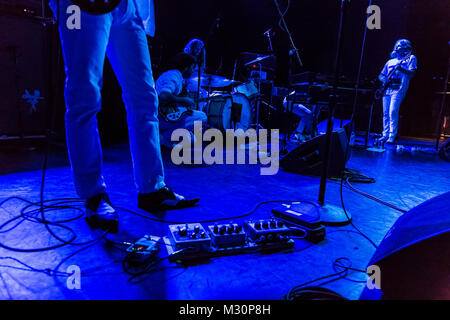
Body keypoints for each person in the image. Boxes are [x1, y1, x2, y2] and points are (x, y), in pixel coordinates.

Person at [48, 0, 199, 233]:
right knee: (83, 98)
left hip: (127, 6)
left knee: (145, 98)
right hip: (77, 6)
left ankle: (153, 188)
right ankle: (93, 194)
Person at [156, 52, 208, 148]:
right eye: (192, 67)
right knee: (202, 117)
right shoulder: (173, 76)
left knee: (192, 139)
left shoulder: (175, 75)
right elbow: (163, 96)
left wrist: (182, 104)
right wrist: (183, 100)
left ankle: (163, 138)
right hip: (161, 117)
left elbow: (171, 100)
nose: (193, 71)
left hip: (166, 116)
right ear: (186, 67)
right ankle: (159, 137)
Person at [377, 39, 418, 144]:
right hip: (387, 89)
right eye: (398, 46)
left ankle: (392, 135)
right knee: (385, 113)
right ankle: (385, 134)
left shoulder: (411, 58)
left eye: (403, 46)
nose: (400, 47)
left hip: (399, 88)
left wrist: (401, 69)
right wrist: (384, 80)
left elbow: (412, 74)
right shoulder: (390, 61)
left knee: (393, 111)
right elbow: (381, 75)